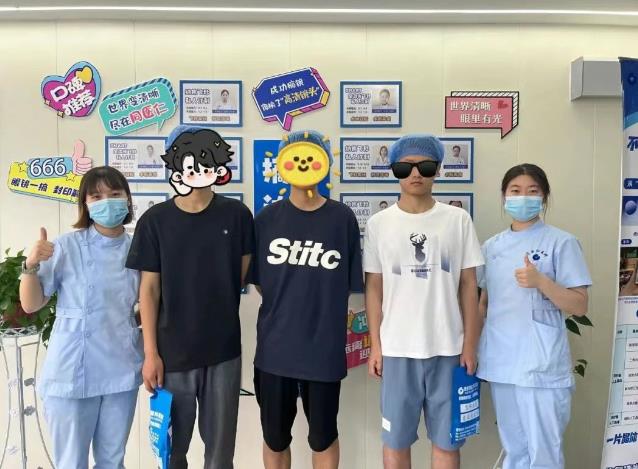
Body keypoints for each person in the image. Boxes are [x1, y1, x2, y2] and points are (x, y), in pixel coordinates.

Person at [126, 125, 254, 469]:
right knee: (172, 452)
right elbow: (148, 291)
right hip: (171, 354)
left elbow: (241, 274)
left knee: (220, 454)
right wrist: (151, 354)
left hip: (223, 351)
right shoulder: (155, 221)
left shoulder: (237, 216)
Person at [364, 134, 484, 469]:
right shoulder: (379, 224)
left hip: (449, 349)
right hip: (396, 350)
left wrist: (469, 346)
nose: (416, 173)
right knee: (395, 441)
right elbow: (374, 288)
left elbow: (469, 285)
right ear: (394, 171)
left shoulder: (457, 220)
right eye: (405, 167)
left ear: (438, 169)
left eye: (425, 166)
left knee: (447, 442)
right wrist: (376, 346)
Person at [249, 130, 363, 469]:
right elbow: (261, 283)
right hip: (275, 350)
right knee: (274, 437)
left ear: (325, 163)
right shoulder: (266, 220)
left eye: (312, 156)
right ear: (283, 164)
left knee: (323, 436)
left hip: (323, 351)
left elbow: (348, 285)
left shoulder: (342, 219)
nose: (303, 164)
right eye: (296, 156)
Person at [20, 166, 141, 469]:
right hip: (71, 372)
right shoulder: (65, 246)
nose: (107, 201)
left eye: (115, 194)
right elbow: (31, 304)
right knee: (71, 463)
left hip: (121, 368)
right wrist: (30, 265)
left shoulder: (138, 248)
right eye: (97, 196)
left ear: (127, 199)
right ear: (85, 204)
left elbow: (150, 303)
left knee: (113, 461)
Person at [477, 164, 591, 469]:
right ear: (504, 196)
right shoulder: (491, 247)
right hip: (502, 362)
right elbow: (484, 303)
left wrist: (542, 282)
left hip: (541, 366)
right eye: (515, 191)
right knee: (514, 451)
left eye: (532, 191)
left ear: (544, 197)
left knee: (544, 455)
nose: (523, 197)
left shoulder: (561, 242)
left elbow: (580, 305)